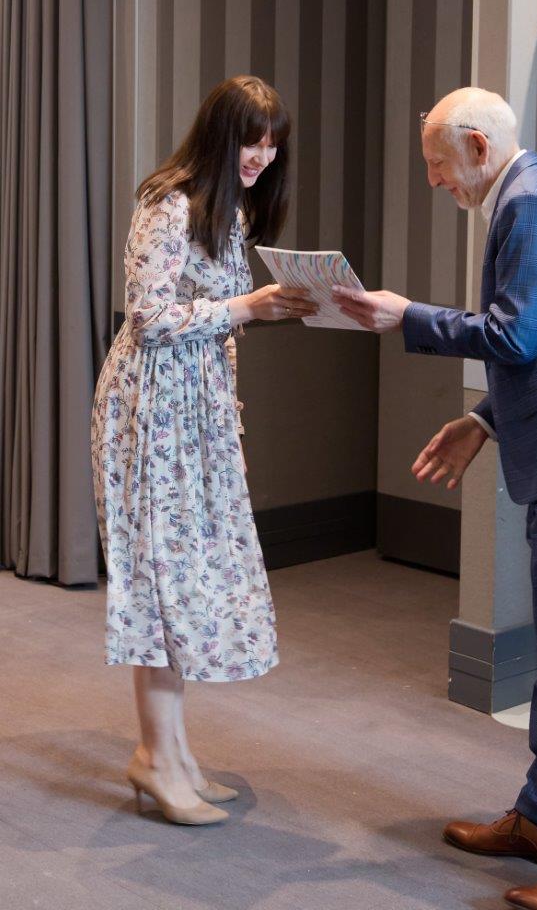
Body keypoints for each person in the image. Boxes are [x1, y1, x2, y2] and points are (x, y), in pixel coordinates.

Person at [333, 87, 537, 910]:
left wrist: (406, 315)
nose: (434, 180)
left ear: (478, 146)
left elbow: (515, 334)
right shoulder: (535, 196)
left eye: (437, 164)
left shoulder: (532, 206)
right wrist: (482, 421)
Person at [91, 75, 317, 825]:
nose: (263, 156)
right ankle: (157, 758)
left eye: (273, 144)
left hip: (195, 411)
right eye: (252, 140)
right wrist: (246, 305)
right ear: (221, 135)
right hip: (150, 411)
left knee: (185, 578)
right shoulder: (168, 203)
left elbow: (209, 316)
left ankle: (173, 753)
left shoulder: (230, 209)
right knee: (162, 579)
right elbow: (148, 318)